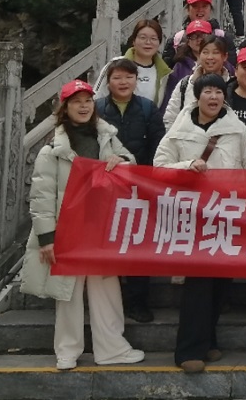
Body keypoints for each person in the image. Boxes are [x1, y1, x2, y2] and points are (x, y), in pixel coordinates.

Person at [21, 79, 143, 371]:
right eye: (76, 102)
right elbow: (41, 197)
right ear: (65, 108)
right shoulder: (52, 150)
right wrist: (47, 238)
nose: (83, 106)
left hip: (101, 224)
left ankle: (112, 348)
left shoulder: (107, 137)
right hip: (68, 228)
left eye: (88, 100)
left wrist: (120, 160)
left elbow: (131, 165)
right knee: (68, 292)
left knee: (106, 287)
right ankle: (67, 351)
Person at [154, 73, 246, 373]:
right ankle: (189, 350)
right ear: (197, 96)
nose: (213, 97)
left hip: (227, 215)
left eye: (219, 92)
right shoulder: (179, 129)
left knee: (220, 285)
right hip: (193, 217)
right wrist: (187, 166)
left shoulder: (237, 129)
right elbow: (159, 168)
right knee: (198, 284)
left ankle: (209, 340)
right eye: (208, 91)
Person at [93, 58, 165, 323]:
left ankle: (137, 302)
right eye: (117, 78)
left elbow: (158, 145)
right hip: (105, 187)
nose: (123, 82)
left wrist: (151, 180)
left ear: (136, 80)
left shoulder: (147, 108)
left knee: (137, 243)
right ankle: (108, 303)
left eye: (128, 77)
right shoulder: (97, 109)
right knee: (108, 241)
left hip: (139, 187)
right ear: (108, 81)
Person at [92, 19, 170, 107]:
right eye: (143, 37)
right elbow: (96, 97)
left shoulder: (164, 73)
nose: (148, 42)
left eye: (153, 38)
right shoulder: (115, 64)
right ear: (134, 40)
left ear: (159, 43)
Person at [162, 37, 231, 129]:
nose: (210, 57)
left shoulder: (232, 86)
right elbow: (170, 118)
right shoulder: (185, 84)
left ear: (225, 56)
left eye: (215, 52)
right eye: (205, 52)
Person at [162, 0, 232, 64]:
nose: (200, 10)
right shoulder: (177, 39)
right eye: (195, 6)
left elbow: (231, 67)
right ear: (188, 10)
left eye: (204, 6)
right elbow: (167, 68)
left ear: (210, 9)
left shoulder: (222, 36)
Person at [162, 19, 215, 109]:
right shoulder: (180, 67)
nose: (199, 40)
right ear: (188, 41)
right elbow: (170, 98)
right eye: (194, 36)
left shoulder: (221, 63)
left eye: (203, 35)